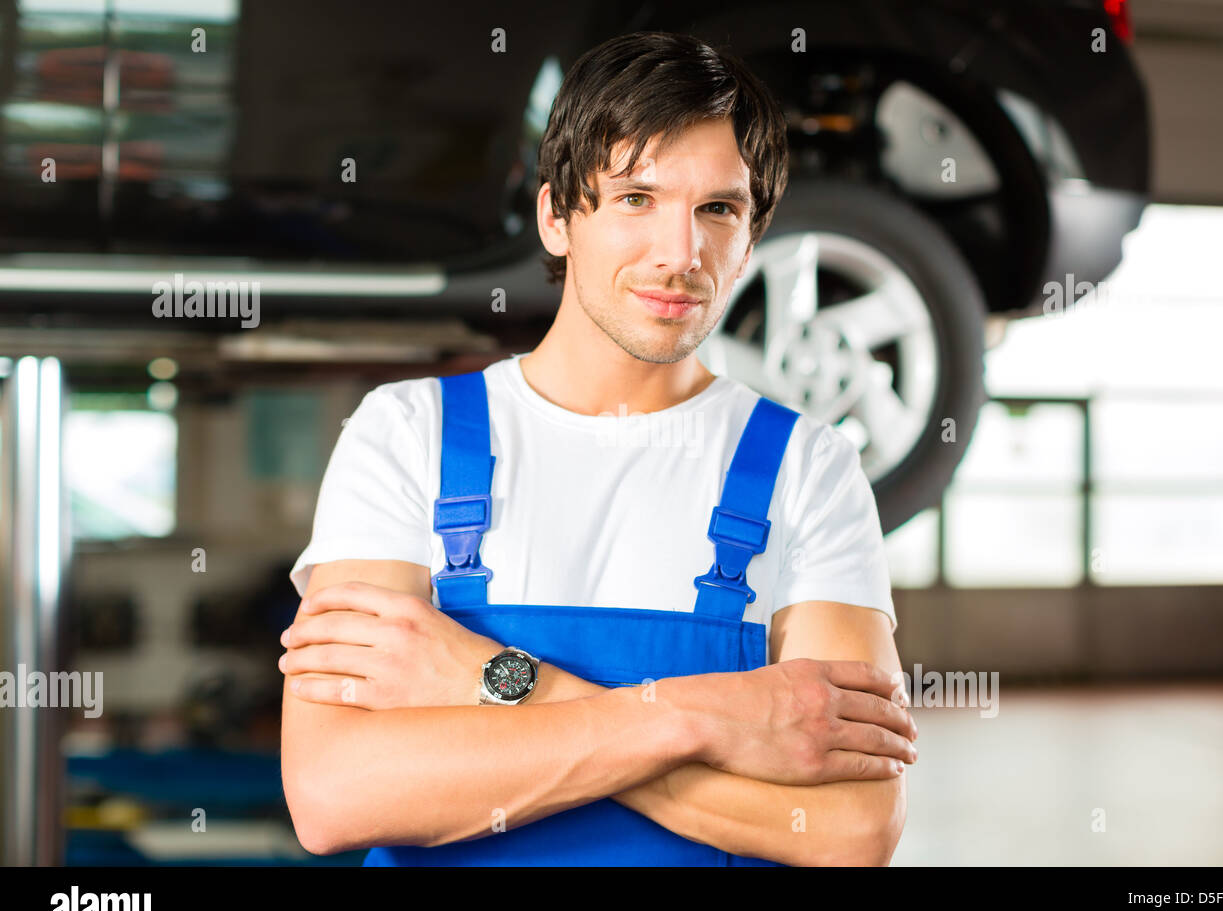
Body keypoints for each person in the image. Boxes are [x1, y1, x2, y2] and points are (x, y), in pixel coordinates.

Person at [279, 30, 918, 867]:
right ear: (555, 217)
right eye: (636, 198)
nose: (680, 254)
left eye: (718, 209)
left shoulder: (809, 470)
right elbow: (335, 795)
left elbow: (852, 831)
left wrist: (488, 681)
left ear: (753, 237)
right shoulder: (405, 436)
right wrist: (701, 720)